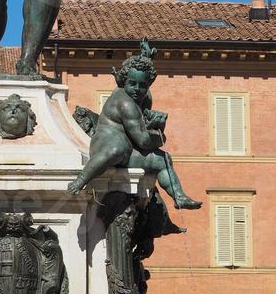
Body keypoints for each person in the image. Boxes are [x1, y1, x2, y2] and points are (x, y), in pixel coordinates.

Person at [67, 49, 201, 209]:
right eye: (133, 84)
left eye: (143, 86)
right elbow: (144, 141)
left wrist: (155, 127)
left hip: (128, 151)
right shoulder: (126, 103)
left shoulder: (138, 98)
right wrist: (159, 133)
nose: (137, 89)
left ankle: (179, 197)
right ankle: (81, 179)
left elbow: (143, 132)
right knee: (116, 149)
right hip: (106, 146)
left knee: (162, 159)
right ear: (124, 82)